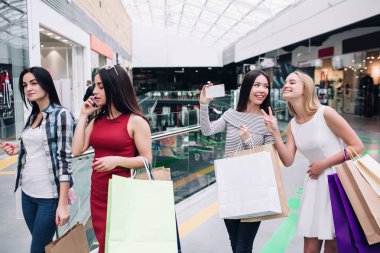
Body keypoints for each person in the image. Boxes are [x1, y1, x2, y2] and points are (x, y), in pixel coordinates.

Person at [261, 70, 364, 253]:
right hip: (315, 185)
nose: (286, 85)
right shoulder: (293, 124)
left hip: (337, 183)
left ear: (305, 89)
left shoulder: (326, 113)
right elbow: (288, 160)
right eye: (285, 82)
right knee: (310, 247)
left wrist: (323, 164)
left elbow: (357, 146)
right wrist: (275, 132)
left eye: (292, 82)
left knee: (333, 245)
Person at [72, 64, 152, 253]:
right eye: (94, 86)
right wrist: (84, 115)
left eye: (100, 86)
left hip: (122, 193)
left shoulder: (135, 121)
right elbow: (77, 150)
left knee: (117, 245)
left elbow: (147, 160)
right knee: (104, 243)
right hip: (98, 193)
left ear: (114, 87)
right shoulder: (97, 120)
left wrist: (116, 160)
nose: (94, 91)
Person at [0, 66, 75, 253]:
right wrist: (18, 148)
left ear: (46, 84)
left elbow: (65, 160)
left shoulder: (61, 115)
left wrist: (63, 204)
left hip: (48, 197)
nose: (28, 89)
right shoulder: (33, 114)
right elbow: (40, 147)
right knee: (41, 245)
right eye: (25, 85)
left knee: (37, 249)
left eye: (34, 83)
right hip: (27, 193)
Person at [199, 70, 274, 253]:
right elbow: (207, 130)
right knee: (234, 241)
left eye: (265, 86)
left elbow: (269, 159)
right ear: (246, 88)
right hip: (231, 187)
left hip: (255, 189)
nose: (262, 90)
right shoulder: (230, 115)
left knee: (243, 246)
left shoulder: (268, 121)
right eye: (257, 85)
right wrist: (203, 105)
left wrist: (248, 140)